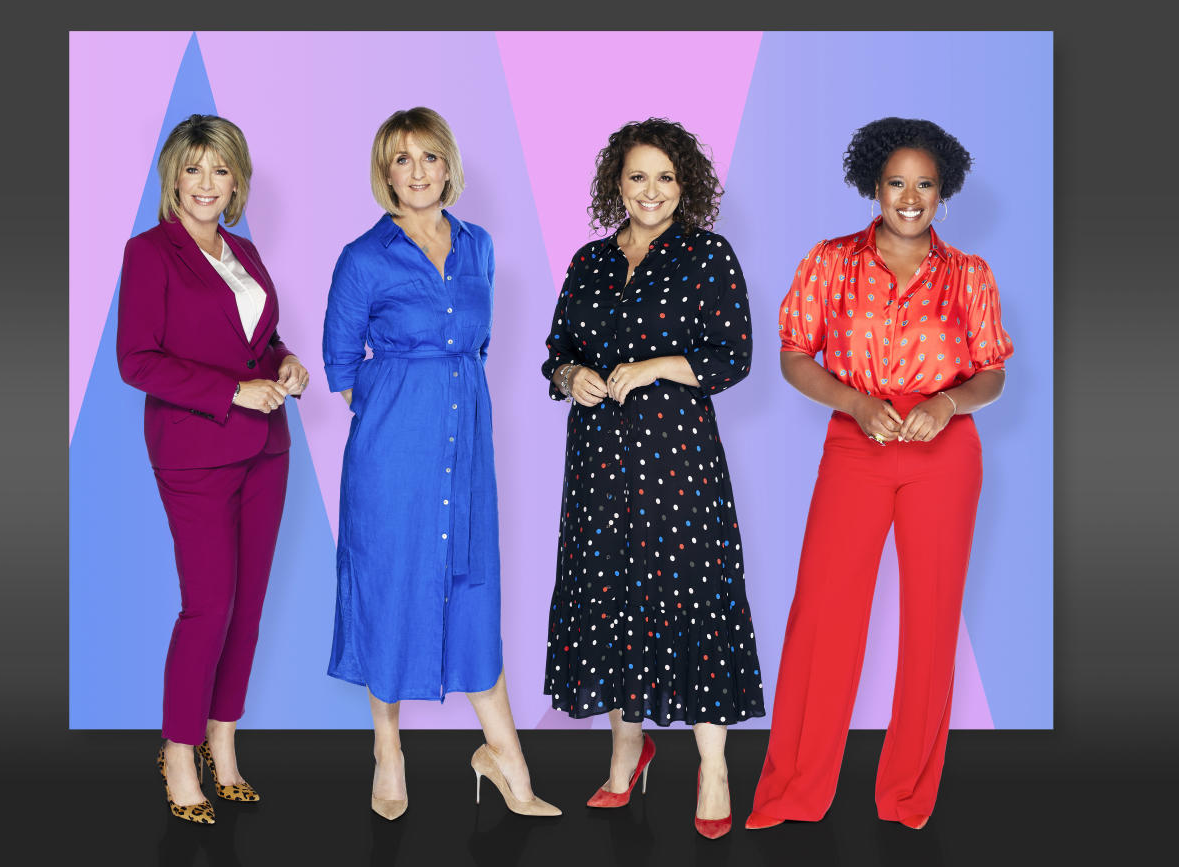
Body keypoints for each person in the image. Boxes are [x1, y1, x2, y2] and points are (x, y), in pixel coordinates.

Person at [745, 117, 1013, 831]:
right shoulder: (829, 261)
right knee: (823, 617)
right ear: (874, 185)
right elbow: (795, 353)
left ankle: (906, 796)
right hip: (855, 444)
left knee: (929, 625)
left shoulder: (970, 275)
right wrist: (855, 402)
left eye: (925, 184)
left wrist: (949, 401)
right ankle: (794, 791)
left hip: (944, 454)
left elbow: (992, 372)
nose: (910, 196)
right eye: (897, 181)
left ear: (943, 192)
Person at [322, 106, 559, 821]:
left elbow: (478, 346)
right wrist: (405, 401)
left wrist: (442, 397)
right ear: (385, 173)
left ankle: (505, 756)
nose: (418, 171)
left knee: (474, 590)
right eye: (402, 159)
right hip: (393, 457)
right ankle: (387, 749)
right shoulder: (364, 258)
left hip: (469, 449)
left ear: (449, 166)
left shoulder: (480, 246)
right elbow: (341, 367)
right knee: (392, 585)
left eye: (429, 156)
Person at [541, 118, 765, 839]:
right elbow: (558, 350)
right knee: (609, 592)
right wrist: (572, 374)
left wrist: (656, 366)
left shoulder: (707, 255)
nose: (652, 190)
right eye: (638, 176)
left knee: (691, 594)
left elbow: (733, 356)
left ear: (685, 186)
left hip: (678, 463)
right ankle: (626, 751)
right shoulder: (589, 262)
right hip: (601, 462)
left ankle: (714, 765)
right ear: (617, 184)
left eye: (666, 177)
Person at [117, 114, 309, 824]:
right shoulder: (149, 253)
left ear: (237, 180)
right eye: (193, 169)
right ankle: (176, 751)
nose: (206, 184)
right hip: (196, 451)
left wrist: (284, 360)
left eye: (219, 170)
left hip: (267, 448)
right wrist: (232, 390)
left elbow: (260, 334)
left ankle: (222, 744)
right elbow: (137, 360)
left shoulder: (246, 252)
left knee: (250, 608)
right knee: (209, 606)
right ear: (174, 177)